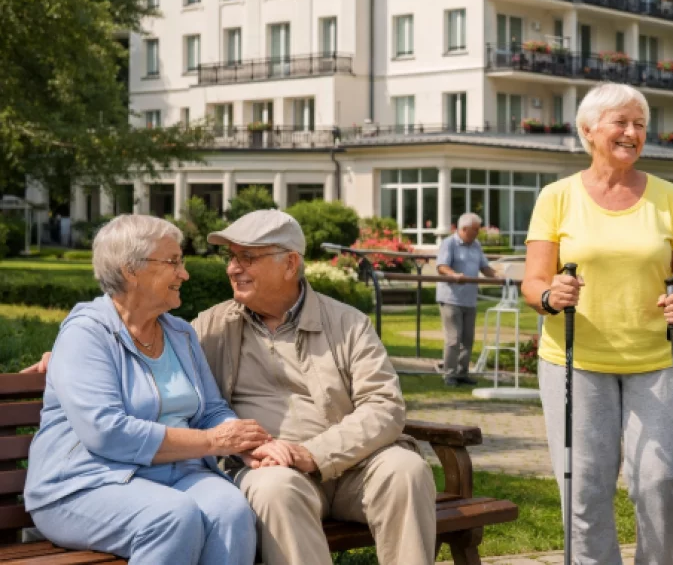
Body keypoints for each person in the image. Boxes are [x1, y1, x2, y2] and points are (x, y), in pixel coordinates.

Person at [521, 83, 673, 565]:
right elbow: (534, 282)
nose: (632, 133)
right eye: (620, 123)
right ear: (588, 130)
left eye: (640, 124)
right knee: (583, 491)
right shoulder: (556, 197)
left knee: (661, 484)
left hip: (661, 363)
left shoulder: (669, 198)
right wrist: (548, 296)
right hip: (574, 364)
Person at [189, 209, 438, 565]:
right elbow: (185, 403)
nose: (233, 268)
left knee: (406, 470)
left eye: (247, 257)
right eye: (231, 257)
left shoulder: (348, 323)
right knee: (276, 489)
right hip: (269, 469)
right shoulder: (210, 328)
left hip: (354, 466)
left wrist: (313, 454)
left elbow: (384, 406)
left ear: (290, 264)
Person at [22, 215, 262, 565]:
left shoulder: (180, 333)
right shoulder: (86, 333)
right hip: (82, 485)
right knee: (171, 517)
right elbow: (106, 432)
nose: (184, 274)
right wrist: (213, 442)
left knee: (232, 511)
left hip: (175, 475)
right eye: (173, 262)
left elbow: (210, 409)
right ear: (130, 270)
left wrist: (243, 441)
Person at [436, 212, 498, 386]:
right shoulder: (449, 244)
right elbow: (441, 266)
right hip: (451, 298)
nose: (478, 233)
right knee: (453, 339)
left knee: (467, 339)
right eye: (475, 230)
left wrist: (498, 277)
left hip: (469, 299)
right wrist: (454, 274)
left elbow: (484, 267)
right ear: (464, 229)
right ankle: (449, 374)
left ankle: (462, 373)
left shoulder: (476, 245)